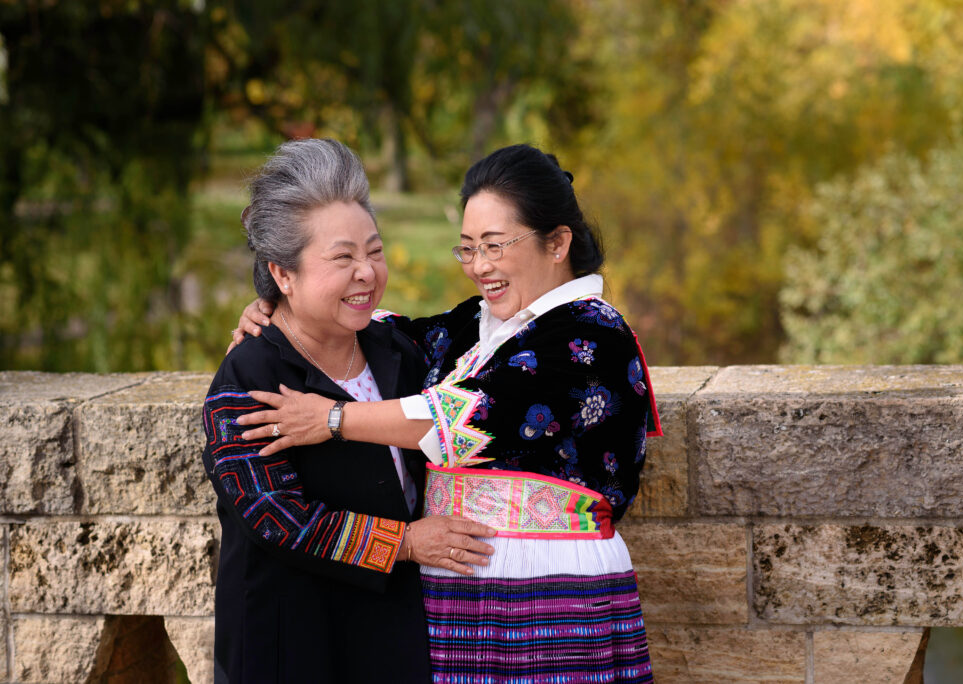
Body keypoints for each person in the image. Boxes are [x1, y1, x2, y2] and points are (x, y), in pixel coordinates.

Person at [233, 143, 660, 683]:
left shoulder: (591, 333)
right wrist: (282, 303)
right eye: (467, 249)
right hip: (453, 589)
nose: (479, 267)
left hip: (553, 588)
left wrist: (331, 419)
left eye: (494, 246)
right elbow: (392, 331)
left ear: (557, 243)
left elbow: (464, 420)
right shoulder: (480, 324)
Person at [203, 138, 495, 683]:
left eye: (374, 251)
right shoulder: (250, 377)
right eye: (343, 257)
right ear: (283, 275)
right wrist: (405, 543)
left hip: (392, 633)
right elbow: (277, 518)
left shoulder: (397, 353)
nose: (366, 272)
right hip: (289, 643)